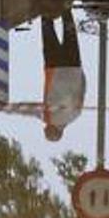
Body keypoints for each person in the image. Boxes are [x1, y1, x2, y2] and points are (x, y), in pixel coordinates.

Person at [41, 8, 86, 142]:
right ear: (49, 128)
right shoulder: (47, 117)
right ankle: (44, 4)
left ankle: (66, 6)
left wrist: (80, 72)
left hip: (73, 67)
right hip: (54, 69)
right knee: (47, 30)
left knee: (70, 32)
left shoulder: (75, 115)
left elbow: (82, 89)